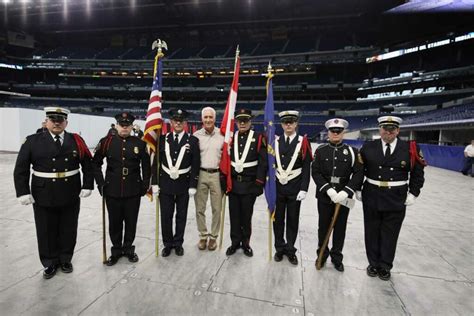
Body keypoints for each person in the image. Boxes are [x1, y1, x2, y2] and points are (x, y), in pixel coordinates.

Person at [14, 107, 93, 279]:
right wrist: (22, 192)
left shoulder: (76, 140)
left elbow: (87, 164)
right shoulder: (32, 141)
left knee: (68, 227)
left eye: (60, 119)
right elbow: (21, 168)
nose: (56, 122)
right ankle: (49, 262)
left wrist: (88, 185)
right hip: (43, 192)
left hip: (70, 190)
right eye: (53, 119)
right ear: (46, 121)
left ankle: (65, 259)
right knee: (45, 229)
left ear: (66, 122)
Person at [359, 115, 425, 281]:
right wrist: (357, 189)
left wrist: (414, 193)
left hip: (396, 197)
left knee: (390, 234)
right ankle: (373, 263)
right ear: (380, 129)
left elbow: (418, 173)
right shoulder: (368, 147)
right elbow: (359, 171)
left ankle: (385, 266)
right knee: (371, 231)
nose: (388, 133)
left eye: (392, 130)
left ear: (398, 130)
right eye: (385, 129)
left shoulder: (410, 148)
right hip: (372, 195)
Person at [92, 112, 151, 266]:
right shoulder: (106, 142)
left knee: (131, 222)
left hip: (133, 189)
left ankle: (129, 250)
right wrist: (100, 183)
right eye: (122, 125)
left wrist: (145, 184)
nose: (124, 127)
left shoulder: (140, 143)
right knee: (115, 222)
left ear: (132, 126)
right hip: (112, 189)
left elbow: (146, 166)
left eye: (127, 125)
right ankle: (116, 250)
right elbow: (95, 164)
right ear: (117, 125)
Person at [311, 118, 363, 272]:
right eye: (332, 131)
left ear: (343, 132)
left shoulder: (353, 152)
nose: (335, 133)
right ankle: (322, 254)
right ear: (328, 133)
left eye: (338, 131)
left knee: (340, 228)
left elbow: (359, 174)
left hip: (344, 198)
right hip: (325, 196)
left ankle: (337, 257)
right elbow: (316, 172)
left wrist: (346, 191)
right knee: (323, 227)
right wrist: (328, 189)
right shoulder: (320, 150)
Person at [154, 109, 200, 257]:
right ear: (171, 122)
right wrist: (154, 182)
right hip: (165, 183)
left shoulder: (193, 141)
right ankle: (167, 244)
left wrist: (193, 185)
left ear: (185, 123)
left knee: (181, 216)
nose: (178, 123)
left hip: (183, 184)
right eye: (175, 120)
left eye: (181, 121)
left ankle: (178, 243)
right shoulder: (162, 139)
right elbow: (156, 162)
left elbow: (195, 164)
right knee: (166, 216)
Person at [226, 109, 268, 257]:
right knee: (234, 216)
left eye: (245, 120)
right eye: (240, 121)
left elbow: (263, 163)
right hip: (233, 185)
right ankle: (234, 242)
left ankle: (245, 243)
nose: (242, 123)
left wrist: (259, 183)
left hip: (249, 185)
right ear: (236, 122)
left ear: (250, 121)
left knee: (246, 216)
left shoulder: (258, 137)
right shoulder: (231, 137)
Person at [273, 111, 312, 265]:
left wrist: (304, 188)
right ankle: (279, 248)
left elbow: (306, 166)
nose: (288, 125)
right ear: (281, 124)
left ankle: (290, 249)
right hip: (278, 188)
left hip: (295, 187)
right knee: (278, 220)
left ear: (296, 124)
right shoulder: (275, 141)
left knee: (292, 220)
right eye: (285, 122)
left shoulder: (303, 142)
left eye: (291, 122)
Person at [193, 107, 224, 251]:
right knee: (200, 208)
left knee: (217, 209)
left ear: (215, 118)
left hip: (217, 175)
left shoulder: (223, 134)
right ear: (202, 119)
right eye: (205, 117)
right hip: (201, 174)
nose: (208, 120)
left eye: (210, 117)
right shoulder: (195, 136)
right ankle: (203, 236)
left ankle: (213, 237)